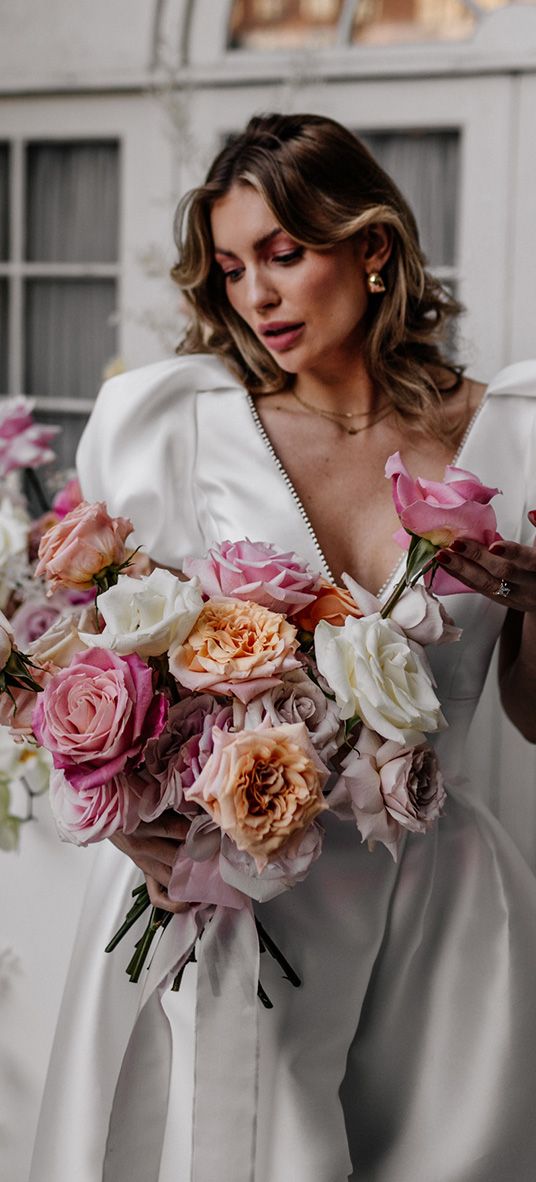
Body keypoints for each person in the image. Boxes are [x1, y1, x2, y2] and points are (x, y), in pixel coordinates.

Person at [30, 113, 536, 1182]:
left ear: (372, 247)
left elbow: (530, 716)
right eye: (228, 268)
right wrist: (134, 834)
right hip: (224, 901)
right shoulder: (176, 425)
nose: (252, 295)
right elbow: (70, 669)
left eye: (281, 254)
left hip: (431, 910)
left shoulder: (514, 435)